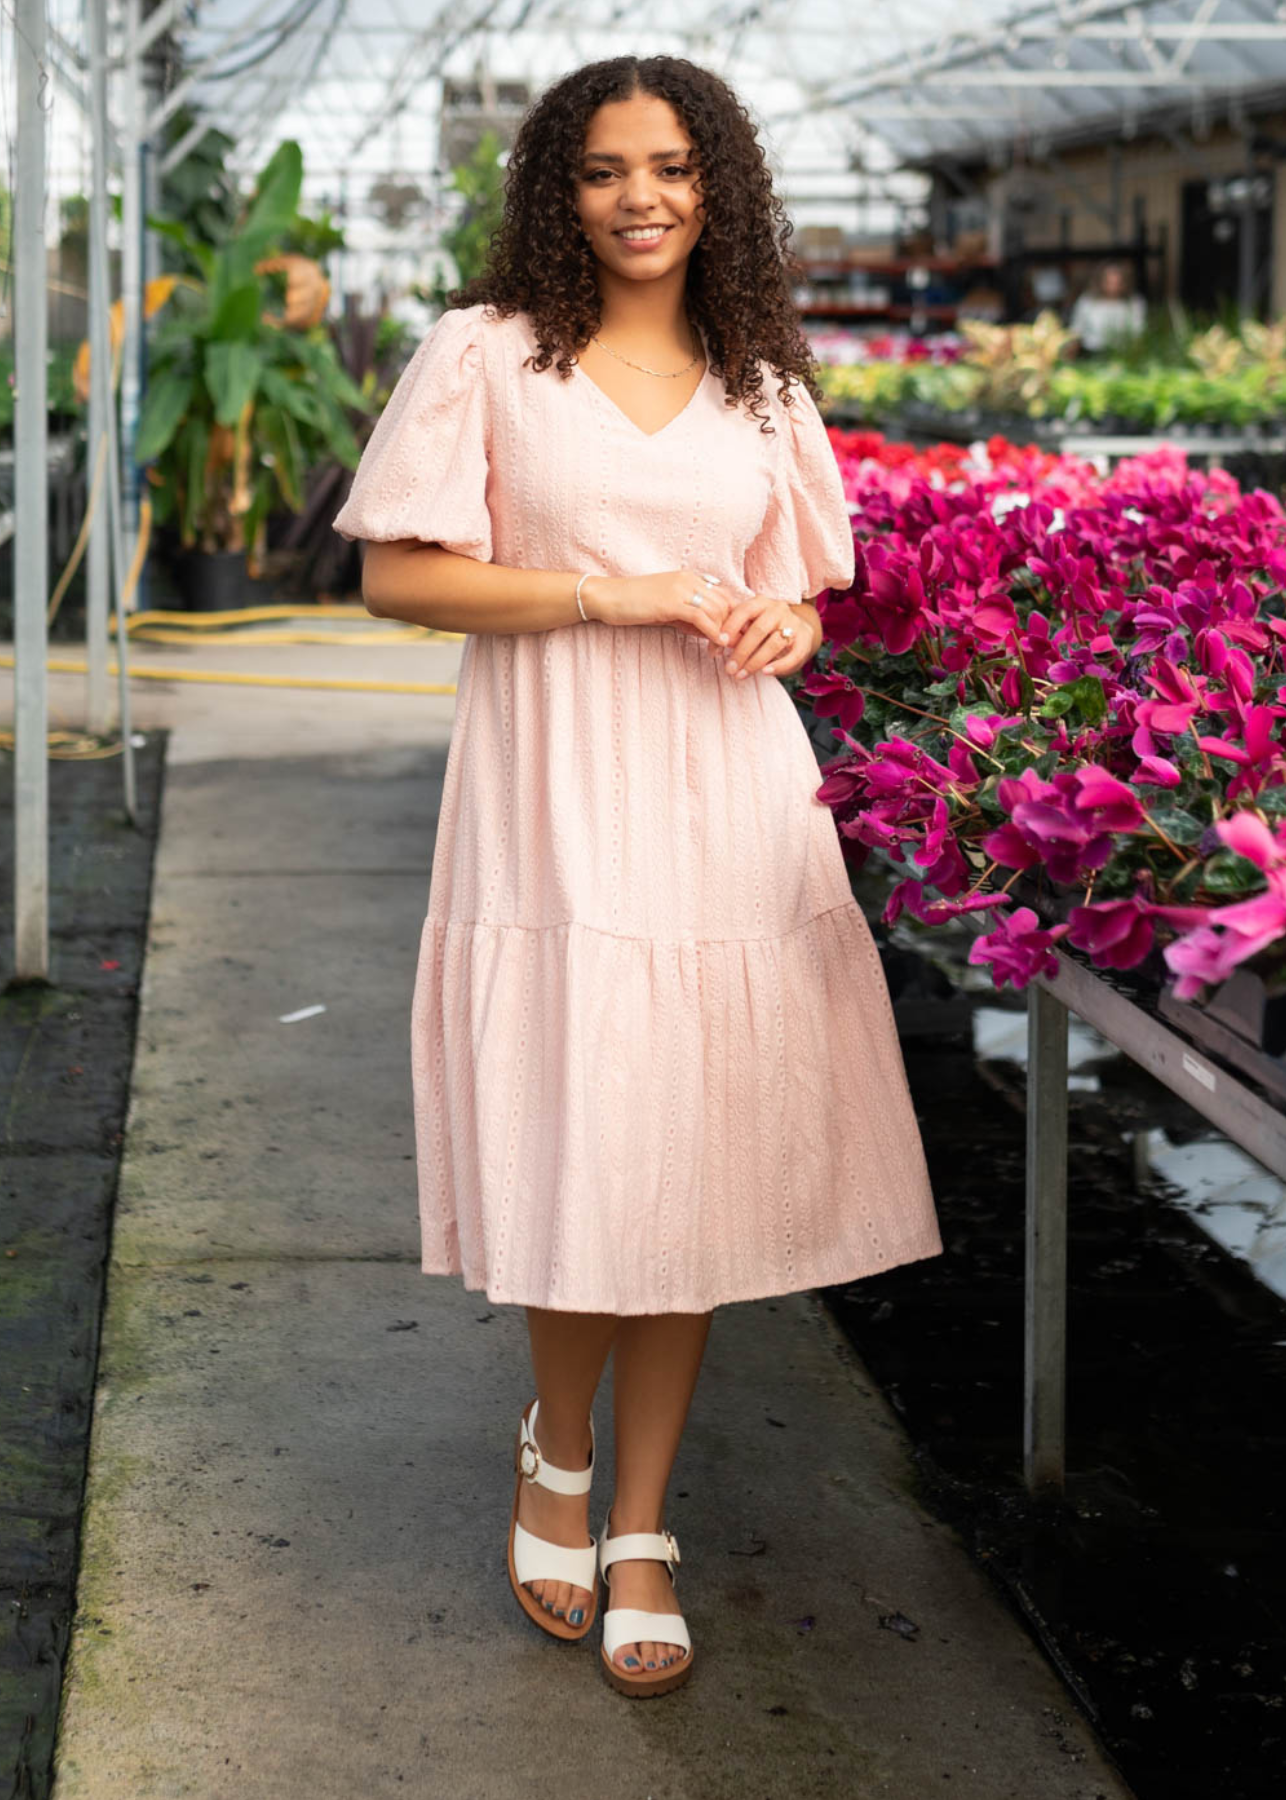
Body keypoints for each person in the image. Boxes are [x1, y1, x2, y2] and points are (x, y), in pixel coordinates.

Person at [332, 53, 942, 1700]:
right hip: (555, 785)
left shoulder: (760, 377)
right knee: (589, 1126)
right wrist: (617, 597)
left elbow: (800, 596)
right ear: (559, 187)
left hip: (732, 789)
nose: (640, 197)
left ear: (716, 182)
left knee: (693, 1150)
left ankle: (647, 1521)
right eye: (604, 169)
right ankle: (556, 1445)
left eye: (672, 165)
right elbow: (396, 575)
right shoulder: (489, 355)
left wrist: (775, 619)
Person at [1067, 261, 1145, 354]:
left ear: (1125, 283)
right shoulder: (1087, 301)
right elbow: (1076, 329)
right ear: (1100, 282)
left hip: (1124, 353)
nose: (1113, 287)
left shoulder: (1134, 303)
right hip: (1092, 353)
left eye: (1117, 283)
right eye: (1109, 282)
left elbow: (1138, 332)